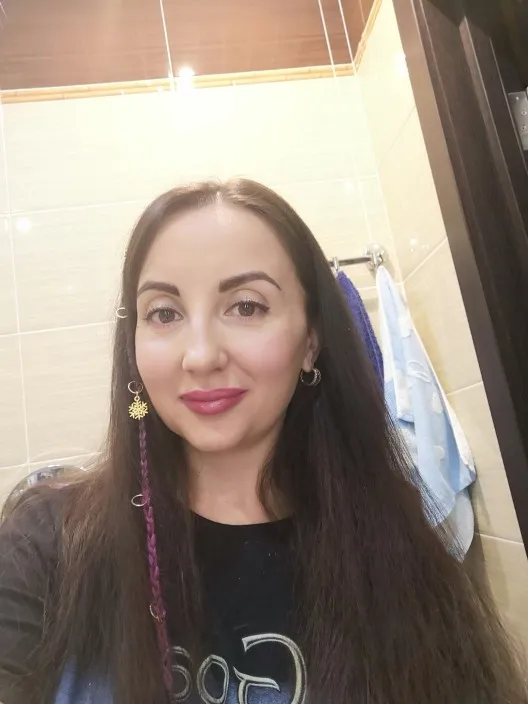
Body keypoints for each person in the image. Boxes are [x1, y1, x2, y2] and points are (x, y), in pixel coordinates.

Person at [0, 178, 526, 704]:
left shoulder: (393, 544)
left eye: (247, 307)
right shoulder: (49, 541)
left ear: (311, 340)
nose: (200, 356)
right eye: (164, 313)